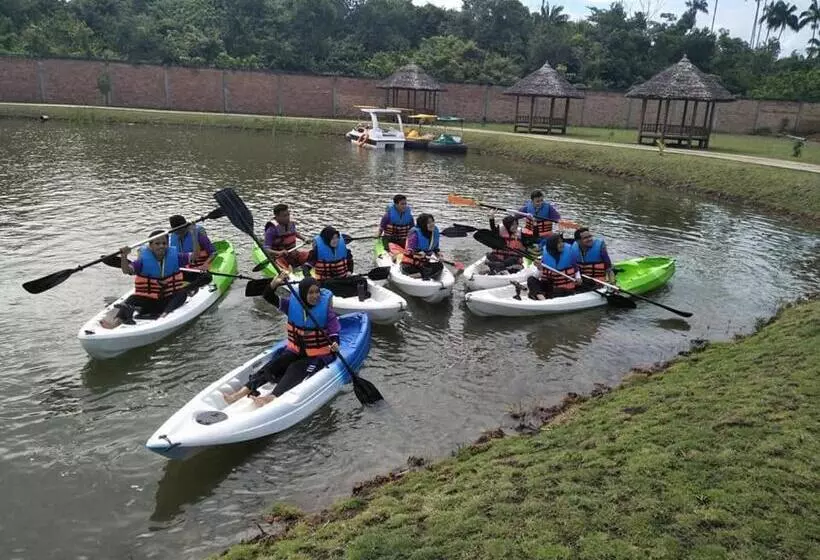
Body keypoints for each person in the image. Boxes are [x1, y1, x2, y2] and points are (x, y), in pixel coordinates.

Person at [222, 276, 340, 407]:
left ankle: (271, 397)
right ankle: (239, 394)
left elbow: (334, 333)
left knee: (294, 368)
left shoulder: (327, 312)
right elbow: (268, 296)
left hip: (318, 356)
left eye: (317, 292)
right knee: (273, 365)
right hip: (296, 351)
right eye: (310, 293)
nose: (315, 296)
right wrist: (274, 284)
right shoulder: (291, 305)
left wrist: (335, 344)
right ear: (302, 294)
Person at [99, 231, 206, 328]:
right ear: (150, 246)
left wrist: (193, 235)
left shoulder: (176, 257)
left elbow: (194, 256)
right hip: (150, 300)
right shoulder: (142, 262)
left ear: (167, 245)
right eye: (157, 244)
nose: (161, 246)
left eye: (164, 243)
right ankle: (118, 321)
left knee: (182, 293)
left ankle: (165, 315)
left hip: (168, 300)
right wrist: (124, 256)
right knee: (132, 299)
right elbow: (127, 270)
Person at [304, 226, 368, 300]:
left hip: (343, 279)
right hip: (325, 282)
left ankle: (351, 293)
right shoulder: (316, 252)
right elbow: (306, 267)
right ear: (327, 239)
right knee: (330, 284)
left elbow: (350, 261)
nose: (336, 240)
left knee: (362, 280)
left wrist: (350, 271)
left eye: (337, 238)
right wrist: (309, 279)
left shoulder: (343, 249)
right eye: (333, 238)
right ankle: (354, 293)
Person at [526, 233, 581, 300]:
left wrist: (578, 278)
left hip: (565, 288)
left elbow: (576, 269)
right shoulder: (546, 256)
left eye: (562, 242)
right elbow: (537, 277)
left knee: (556, 291)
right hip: (550, 287)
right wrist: (539, 268)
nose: (562, 244)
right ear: (552, 245)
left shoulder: (569, 253)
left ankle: (539, 296)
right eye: (559, 243)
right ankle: (541, 297)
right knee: (531, 279)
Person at [263, 204, 310, 268]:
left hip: (293, 253)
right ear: (277, 216)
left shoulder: (290, 224)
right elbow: (266, 249)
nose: (287, 217)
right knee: (283, 265)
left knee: (311, 255)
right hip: (279, 257)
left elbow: (294, 233)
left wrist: (304, 239)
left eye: (288, 215)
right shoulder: (271, 230)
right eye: (284, 216)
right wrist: (278, 252)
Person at [402, 213, 445, 280]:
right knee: (423, 269)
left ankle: (422, 274)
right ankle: (416, 275)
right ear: (423, 224)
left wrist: (439, 255)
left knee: (440, 265)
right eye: (428, 223)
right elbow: (409, 250)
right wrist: (418, 253)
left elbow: (436, 249)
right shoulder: (415, 234)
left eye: (432, 221)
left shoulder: (434, 233)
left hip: (424, 263)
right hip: (411, 264)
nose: (432, 224)